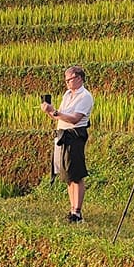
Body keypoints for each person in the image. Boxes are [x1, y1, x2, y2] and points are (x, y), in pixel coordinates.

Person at [40, 66, 93, 222]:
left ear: (79, 78)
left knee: (76, 174)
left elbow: (75, 118)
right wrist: (49, 111)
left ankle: (77, 211)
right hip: (62, 135)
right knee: (67, 174)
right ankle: (72, 209)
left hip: (75, 136)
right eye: (66, 80)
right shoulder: (67, 95)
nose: (67, 83)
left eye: (69, 79)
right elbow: (59, 117)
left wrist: (55, 112)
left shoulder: (85, 96)